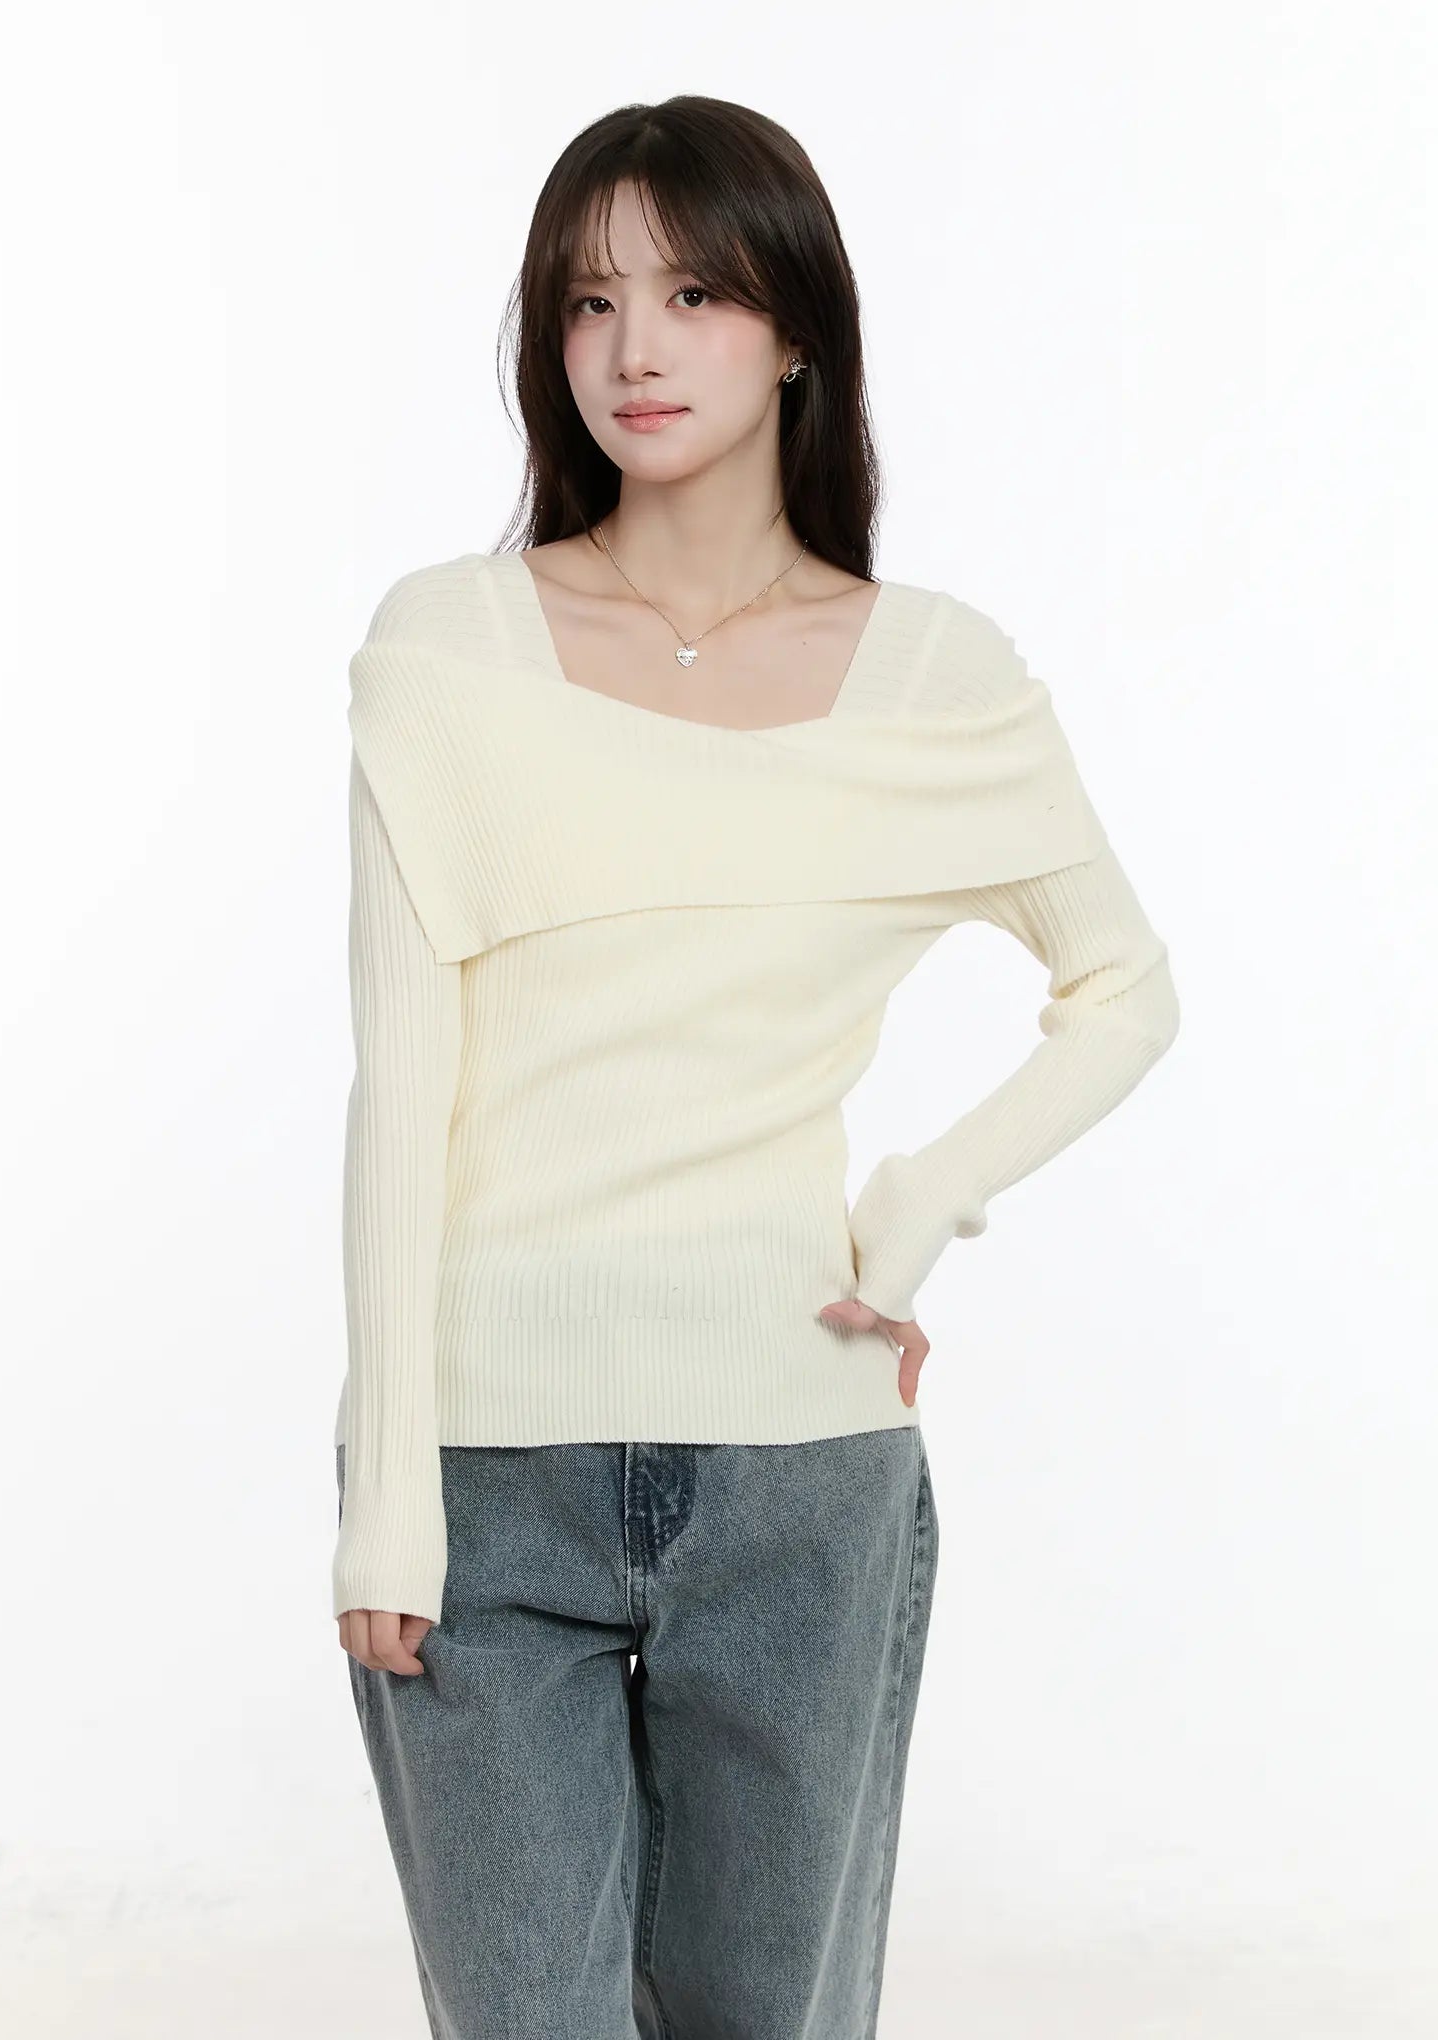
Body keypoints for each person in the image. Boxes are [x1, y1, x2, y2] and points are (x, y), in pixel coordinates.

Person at [330, 94, 1181, 2040]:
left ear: (796, 327)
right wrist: (389, 1497)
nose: (634, 347)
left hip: (804, 1480)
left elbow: (1124, 988)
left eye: (695, 293)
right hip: (487, 1483)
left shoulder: (935, 675)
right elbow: (400, 1091)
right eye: (589, 300)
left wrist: (911, 1213)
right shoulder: (449, 650)